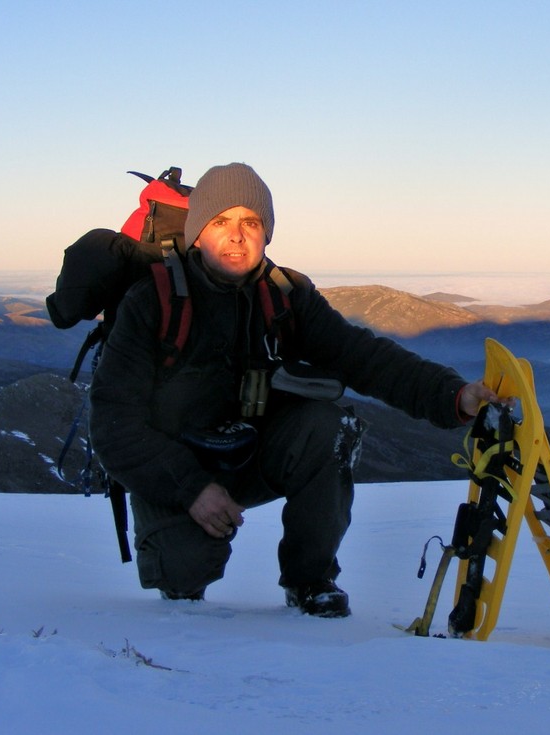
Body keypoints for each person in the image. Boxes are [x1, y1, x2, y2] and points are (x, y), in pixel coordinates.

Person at [89, 162, 498, 618]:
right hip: (172, 465)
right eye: (220, 222)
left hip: (250, 453)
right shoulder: (153, 301)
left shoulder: (284, 294)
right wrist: (192, 489)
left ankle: (311, 580)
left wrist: (452, 394)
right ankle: (183, 578)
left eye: (251, 222)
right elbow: (113, 424)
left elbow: (363, 357)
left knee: (330, 427)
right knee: (183, 572)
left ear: (267, 232)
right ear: (198, 233)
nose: (237, 235)